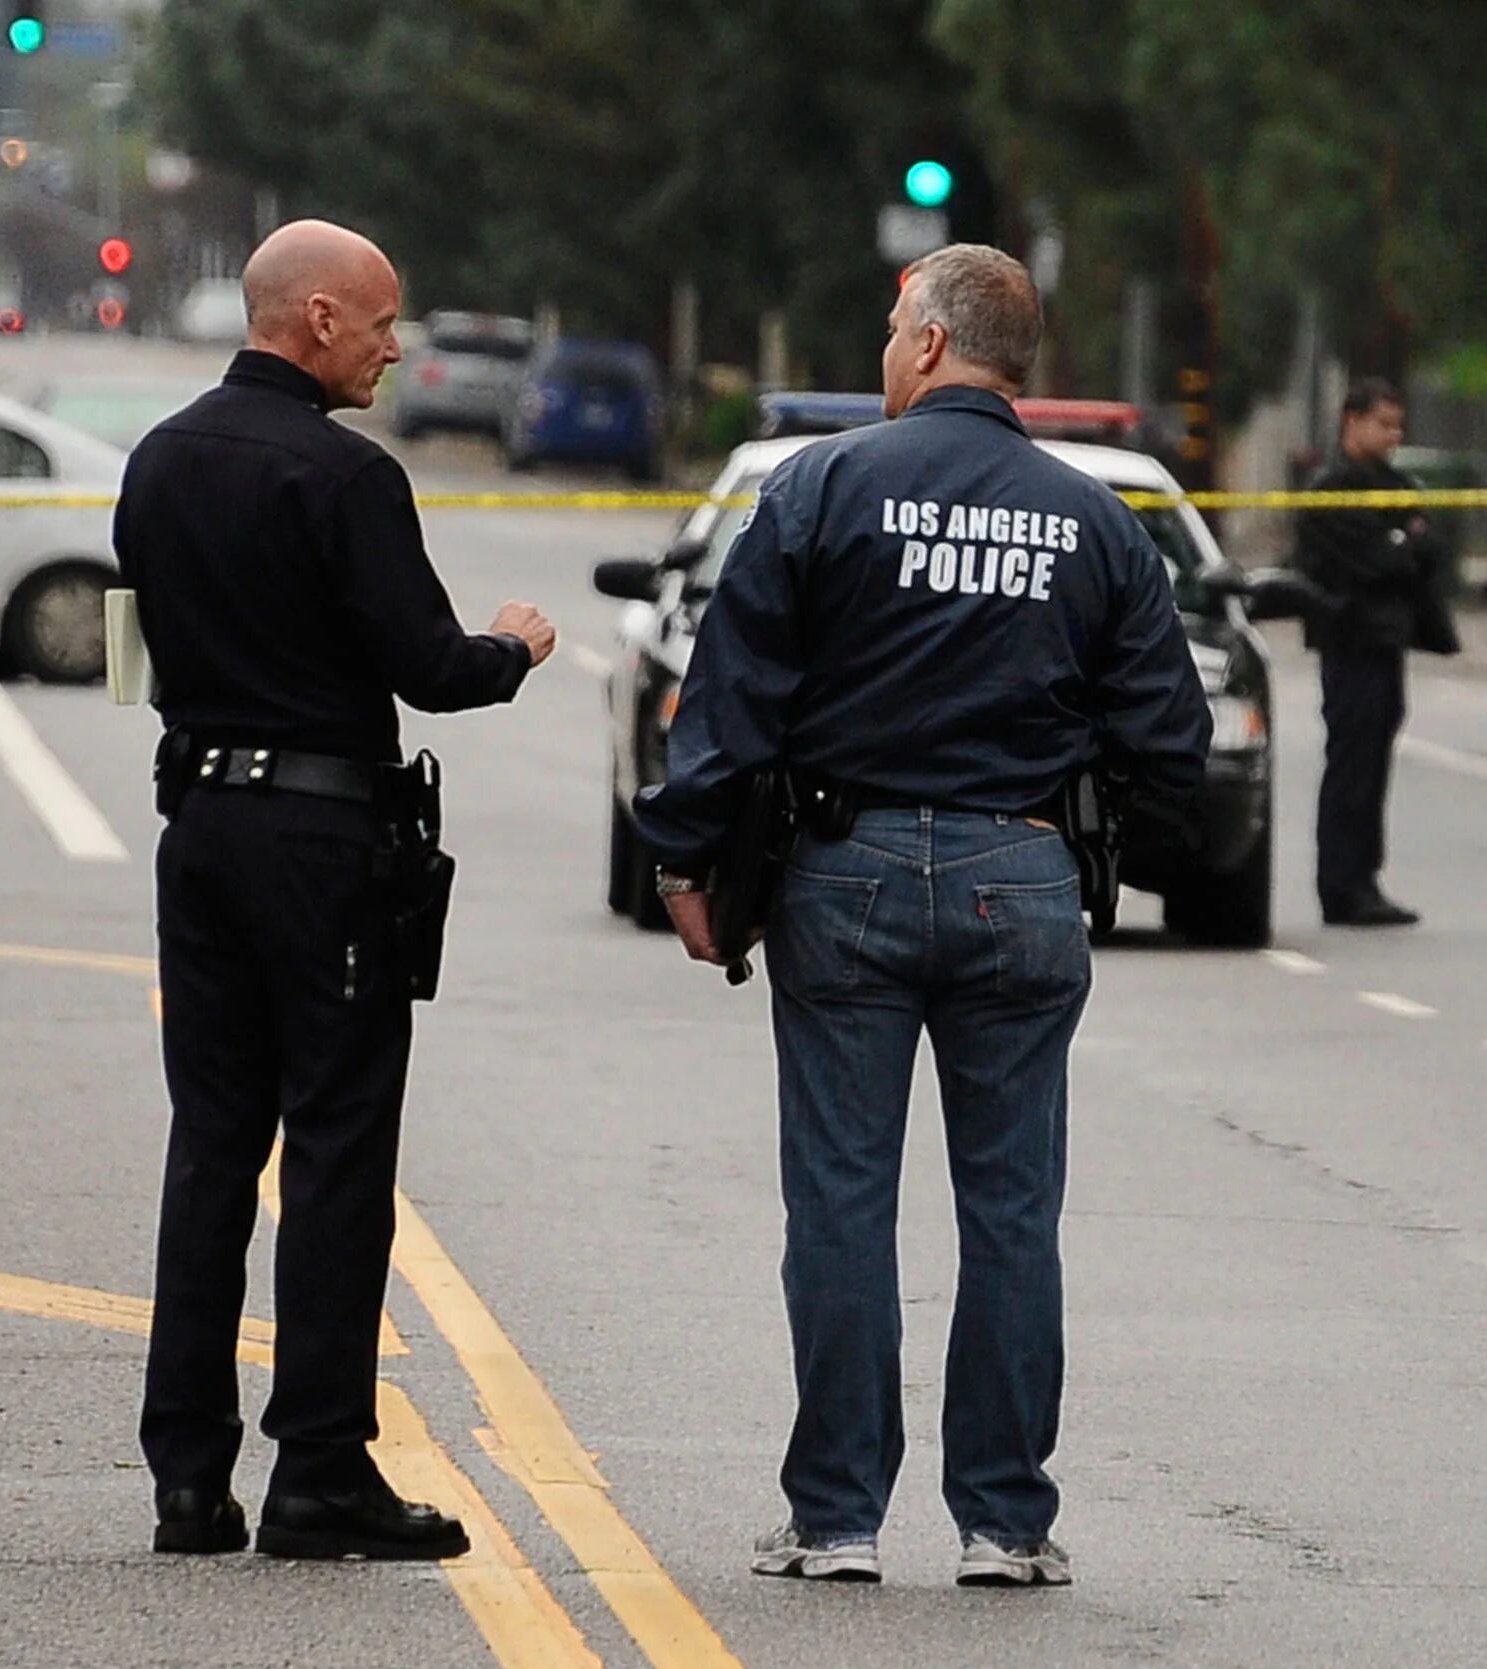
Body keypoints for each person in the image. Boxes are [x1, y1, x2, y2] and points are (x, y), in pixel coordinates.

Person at [637, 245, 1209, 1588]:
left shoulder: (822, 485)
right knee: (1013, 1207)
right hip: (1024, 876)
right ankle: (1005, 1521)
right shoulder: (1097, 524)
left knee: (841, 1199)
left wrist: (684, 863)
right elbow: (1171, 738)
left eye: (896, 328)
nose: (887, 352)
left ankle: (837, 1515)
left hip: (849, 868)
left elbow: (731, 697)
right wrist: (1100, 828)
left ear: (939, 345)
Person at [115, 220, 556, 1561]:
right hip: (320, 842)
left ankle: (187, 1477)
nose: (393, 341)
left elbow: (137, 655)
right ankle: (319, 1467)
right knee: (338, 1148)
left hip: (199, 823)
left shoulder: (159, 459)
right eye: (379, 319)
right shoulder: (345, 477)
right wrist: (514, 646)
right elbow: (428, 667)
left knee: (211, 1145)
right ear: (313, 316)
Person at [1298, 379, 1447, 927]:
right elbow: (1375, 561)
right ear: (1351, 421)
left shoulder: (1394, 484)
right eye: (1383, 422)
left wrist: (1404, 542)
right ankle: (1341, 885)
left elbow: (1427, 549)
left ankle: (1364, 878)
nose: (1393, 434)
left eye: (1397, 424)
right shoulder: (1333, 488)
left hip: (1386, 643)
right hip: (1350, 643)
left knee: (1375, 765)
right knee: (1352, 767)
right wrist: (1400, 543)